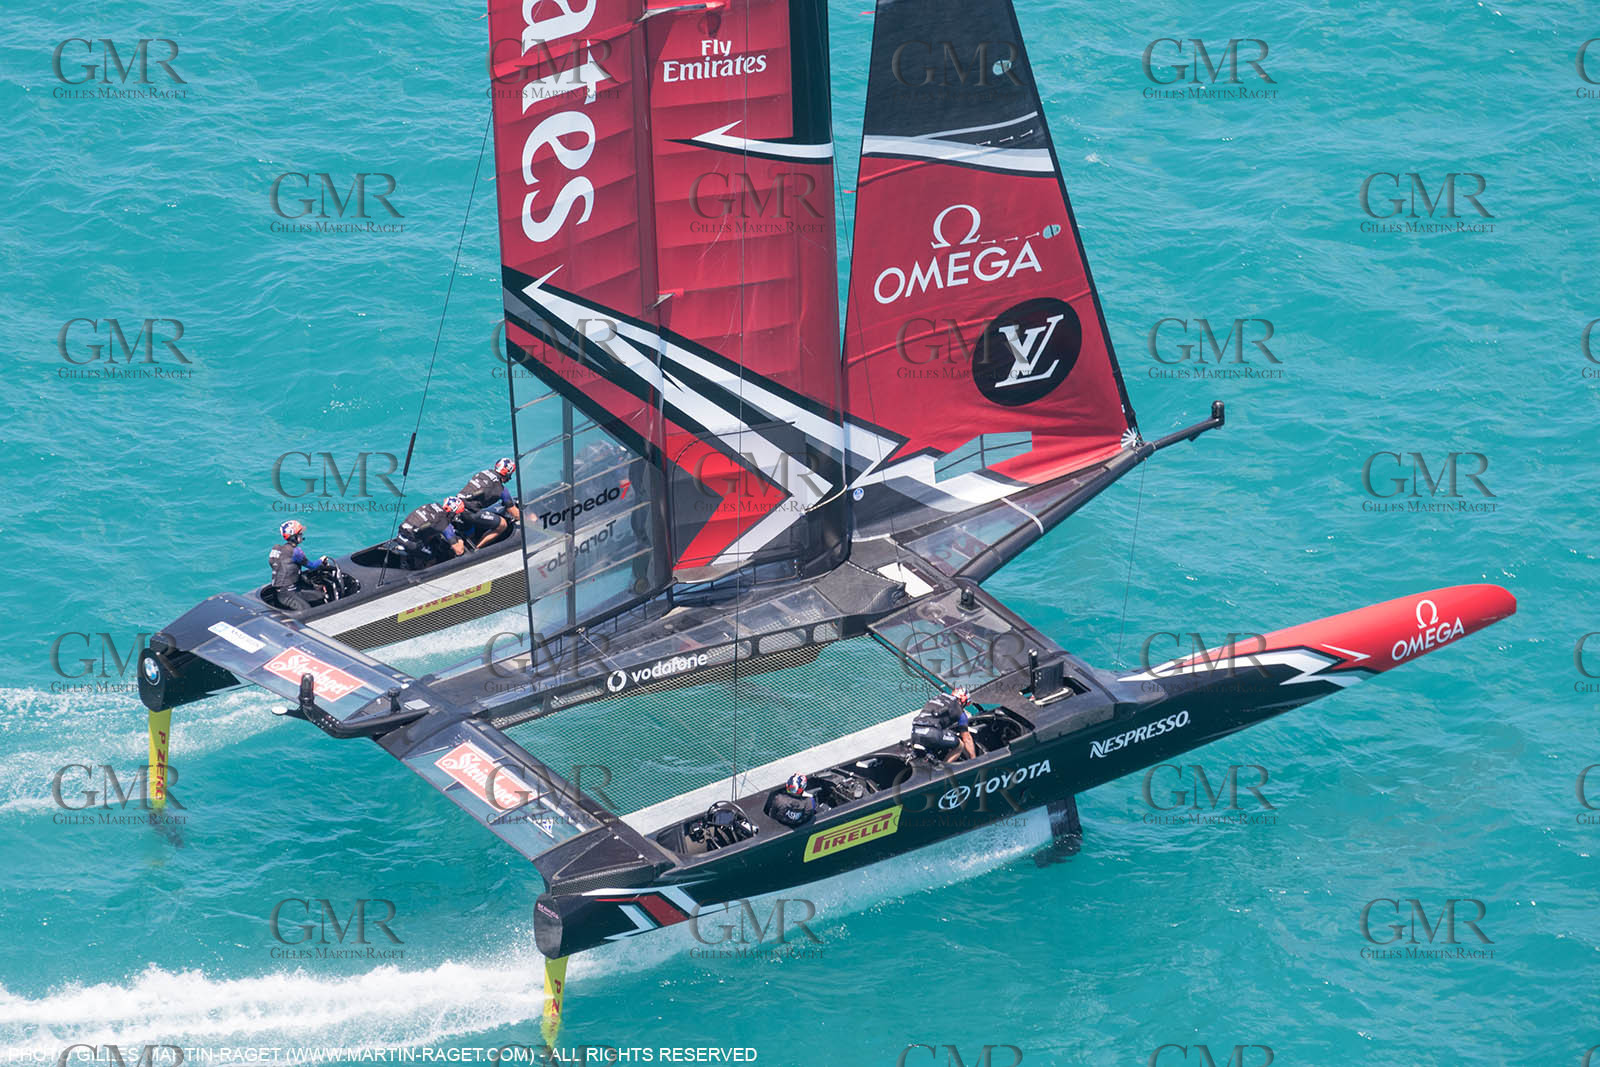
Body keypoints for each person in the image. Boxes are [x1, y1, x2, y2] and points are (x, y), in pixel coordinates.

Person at [268, 519, 333, 611]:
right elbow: (312, 566)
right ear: (294, 536)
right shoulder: (295, 551)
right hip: (287, 594)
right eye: (300, 533)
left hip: (287, 591)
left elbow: (274, 564)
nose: (302, 535)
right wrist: (321, 560)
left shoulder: (276, 548)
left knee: (320, 596)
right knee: (307, 610)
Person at [456, 457, 519, 549]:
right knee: (502, 524)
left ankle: (470, 540)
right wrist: (531, 521)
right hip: (470, 512)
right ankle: (478, 549)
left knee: (471, 531)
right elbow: (514, 513)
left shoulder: (484, 473)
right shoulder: (501, 489)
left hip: (458, 506)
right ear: (507, 474)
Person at [396, 496, 466, 569]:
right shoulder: (442, 522)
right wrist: (461, 540)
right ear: (452, 512)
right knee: (432, 557)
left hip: (402, 533)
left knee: (433, 541)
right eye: (457, 514)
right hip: (410, 542)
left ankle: (414, 559)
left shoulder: (433, 506)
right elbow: (459, 551)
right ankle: (424, 572)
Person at [910, 687, 978, 762]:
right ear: (963, 701)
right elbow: (967, 738)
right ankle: (944, 768)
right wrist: (974, 759)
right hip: (932, 734)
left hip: (915, 732)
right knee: (960, 745)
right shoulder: (959, 711)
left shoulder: (937, 698)